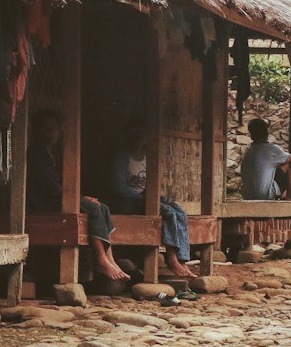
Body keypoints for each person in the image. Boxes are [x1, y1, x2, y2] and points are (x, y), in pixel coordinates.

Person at [27, 111, 129, 283]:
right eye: (46, 128)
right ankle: (101, 260)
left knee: (103, 207)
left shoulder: (51, 154)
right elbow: (49, 187)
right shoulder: (37, 154)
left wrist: (79, 198)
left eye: (54, 128)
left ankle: (109, 258)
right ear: (37, 131)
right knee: (93, 207)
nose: (51, 132)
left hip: (56, 198)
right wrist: (79, 198)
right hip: (44, 202)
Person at [111, 116, 198, 280]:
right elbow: (118, 187)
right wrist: (140, 196)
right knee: (168, 213)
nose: (138, 137)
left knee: (179, 211)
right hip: (128, 203)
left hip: (144, 200)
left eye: (142, 133)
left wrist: (154, 196)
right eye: (134, 133)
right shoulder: (123, 157)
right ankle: (172, 259)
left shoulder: (146, 157)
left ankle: (183, 258)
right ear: (127, 135)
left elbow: (151, 184)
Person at [239, 118, 291, 200]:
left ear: (251, 135)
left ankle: (284, 193)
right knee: (286, 163)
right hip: (263, 195)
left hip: (247, 194)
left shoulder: (249, 150)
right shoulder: (271, 149)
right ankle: (290, 194)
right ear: (266, 133)